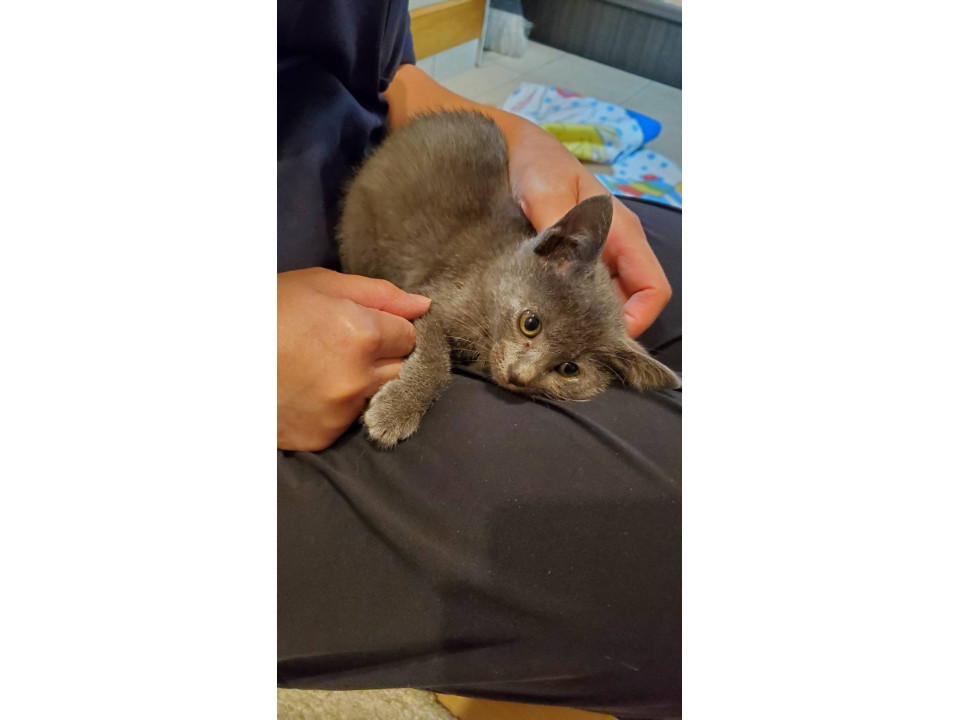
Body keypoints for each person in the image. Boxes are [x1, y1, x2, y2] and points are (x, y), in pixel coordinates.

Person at [278, 2, 681, 717]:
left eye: (564, 369)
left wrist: (518, 138)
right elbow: (432, 313)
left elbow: (385, 76)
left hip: (379, 168)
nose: (521, 372)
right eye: (531, 328)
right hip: (312, 301)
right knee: (669, 573)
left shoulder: (535, 287)